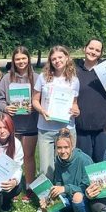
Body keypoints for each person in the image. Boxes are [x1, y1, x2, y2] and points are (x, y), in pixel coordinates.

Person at [0, 46, 39, 200]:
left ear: (28, 59)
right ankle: (11, 188)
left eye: (23, 58)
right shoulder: (6, 78)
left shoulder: (37, 78)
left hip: (30, 124)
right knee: (11, 156)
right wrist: (6, 108)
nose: (21, 61)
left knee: (28, 156)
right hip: (11, 124)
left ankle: (29, 187)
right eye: (17, 59)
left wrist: (35, 106)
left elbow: (42, 100)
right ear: (13, 61)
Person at [32, 45, 80, 179]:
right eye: (54, 59)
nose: (57, 61)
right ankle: (48, 192)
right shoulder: (43, 77)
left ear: (67, 58)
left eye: (60, 57)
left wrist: (76, 110)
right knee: (46, 169)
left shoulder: (74, 80)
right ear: (50, 61)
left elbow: (74, 103)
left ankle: (64, 191)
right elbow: (35, 100)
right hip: (46, 129)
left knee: (66, 166)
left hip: (67, 129)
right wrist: (41, 110)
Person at [39, 128, 93, 212]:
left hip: (86, 199)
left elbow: (86, 186)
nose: (63, 151)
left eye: (66, 147)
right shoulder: (58, 161)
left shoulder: (84, 160)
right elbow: (58, 182)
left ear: (72, 146)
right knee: (49, 209)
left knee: (77, 196)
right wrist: (48, 202)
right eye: (59, 148)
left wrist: (65, 188)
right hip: (68, 197)